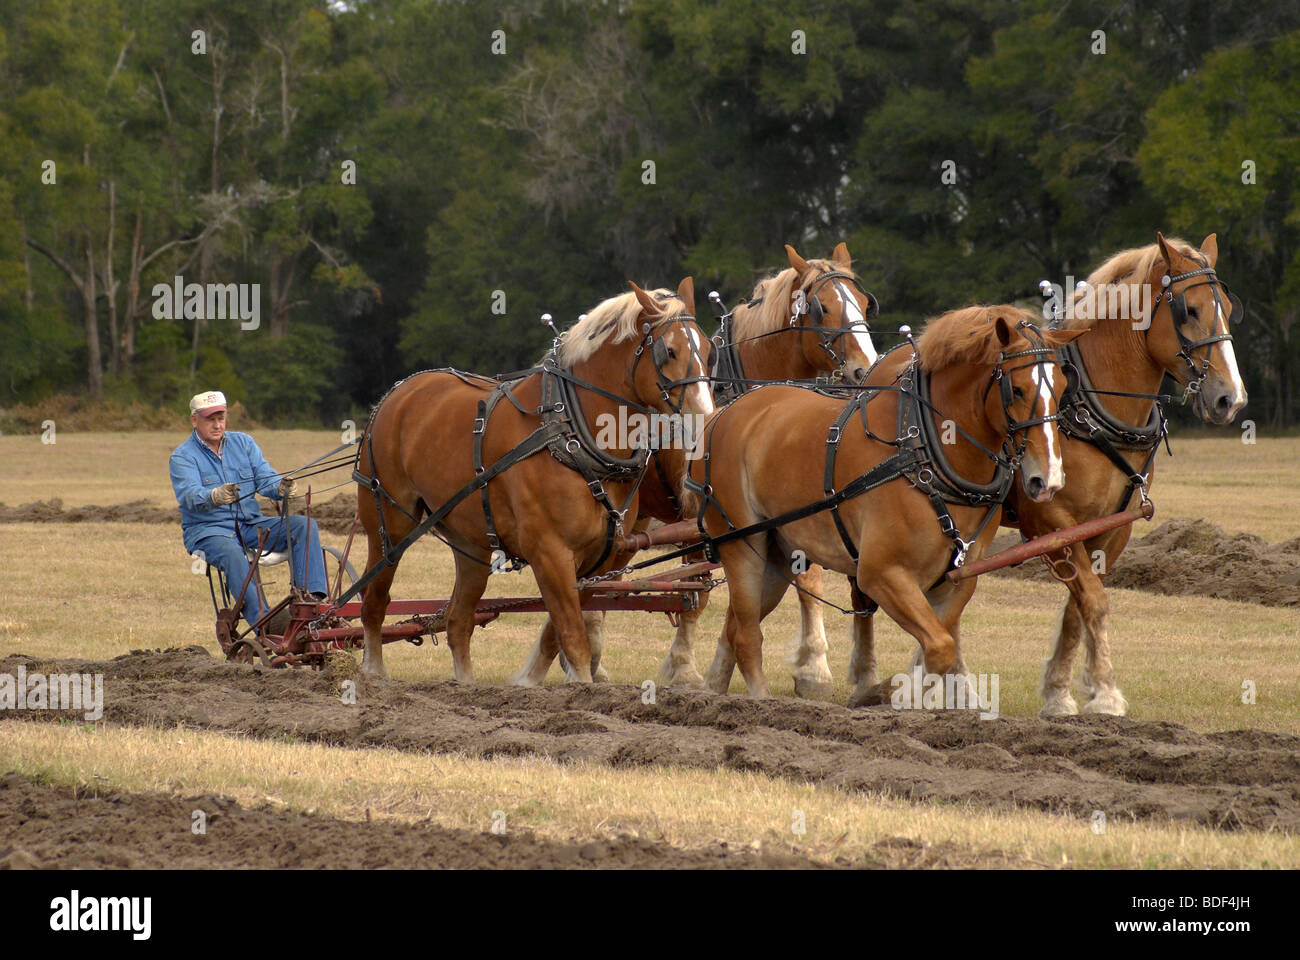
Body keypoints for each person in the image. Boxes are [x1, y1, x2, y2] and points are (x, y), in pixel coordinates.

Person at [170, 390, 328, 631]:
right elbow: (189, 495)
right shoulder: (182, 457)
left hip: (250, 524)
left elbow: (265, 478)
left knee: (303, 526)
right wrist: (214, 496)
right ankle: (266, 624)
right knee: (232, 554)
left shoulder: (243, 443)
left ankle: (308, 603)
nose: (217, 424)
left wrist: (281, 487)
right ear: (194, 420)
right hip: (209, 531)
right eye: (210, 419)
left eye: (221, 418)